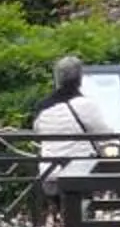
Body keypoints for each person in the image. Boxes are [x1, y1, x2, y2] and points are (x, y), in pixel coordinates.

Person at [31, 56, 108, 187]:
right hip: (81, 173)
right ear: (80, 79)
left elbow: (37, 131)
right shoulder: (86, 105)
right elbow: (105, 134)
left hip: (49, 173)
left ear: (57, 79)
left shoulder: (43, 107)